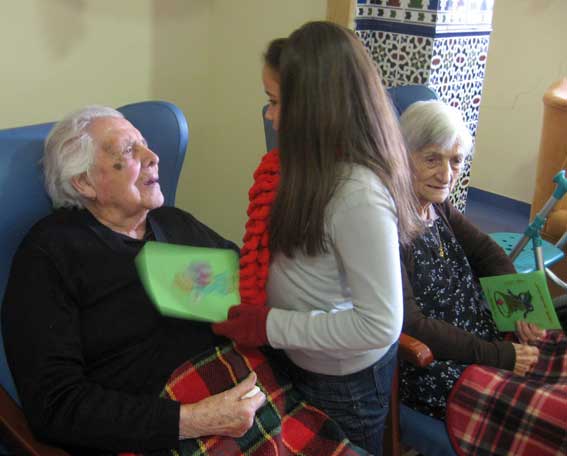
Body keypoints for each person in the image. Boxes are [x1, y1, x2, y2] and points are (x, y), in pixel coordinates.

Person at [1, 106, 266, 455]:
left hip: (252, 399)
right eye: (129, 151)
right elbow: (56, 406)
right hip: (164, 434)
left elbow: (249, 291)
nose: (154, 157)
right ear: (84, 182)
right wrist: (194, 419)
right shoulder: (49, 255)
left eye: (146, 144)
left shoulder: (174, 222)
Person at [213, 21, 423, 455]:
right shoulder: (302, 165)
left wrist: (268, 324)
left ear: (314, 109)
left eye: (275, 102)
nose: (269, 115)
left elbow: (380, 323)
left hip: (344, 383)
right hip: (299, 355)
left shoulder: (357, 195)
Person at [397, 100, 548, 456]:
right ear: (402, 157)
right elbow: (412, 323)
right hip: (434, 368)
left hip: (481, 344)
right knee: (547, 413)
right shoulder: (390, 223)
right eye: (431, 158)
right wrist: (498, 355)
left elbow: (487, 252)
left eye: (455, 160)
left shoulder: (438, 207)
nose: (446, 175)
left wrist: (520, 308)